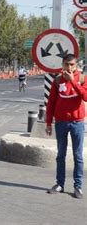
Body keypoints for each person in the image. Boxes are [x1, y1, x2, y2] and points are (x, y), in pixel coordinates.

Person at [46, 54, 86, 199]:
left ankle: (78, 186)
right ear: (62, 64)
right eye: (67, 64)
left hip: (77, 123)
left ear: (76, 65)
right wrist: (48, 122)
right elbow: (51, 103)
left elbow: (86, 96)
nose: (69, 67)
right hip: (61, 123)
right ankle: (60, 184)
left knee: (78, 156)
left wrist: (73, 82)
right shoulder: (57, 81)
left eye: (72, 64)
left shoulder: (82, 79)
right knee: (60, 155)